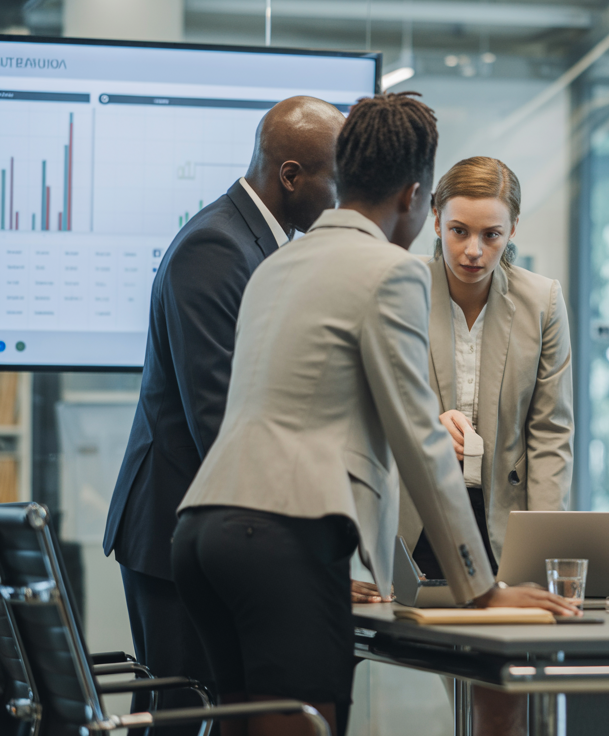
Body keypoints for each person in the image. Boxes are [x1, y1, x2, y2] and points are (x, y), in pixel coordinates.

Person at [170, 92, 577, 736]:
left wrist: (357, 567)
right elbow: (417, 438)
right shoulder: (391, 272)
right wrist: (482, 591)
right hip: (279, 541)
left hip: (202, 535)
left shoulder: (278, 263)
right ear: (417, 198)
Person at [101, 95, 345, 733]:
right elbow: (218, 417)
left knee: (215, 710)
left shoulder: (254, 242)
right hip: (177, 526)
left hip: (210, 525)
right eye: (336, 179)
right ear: (291, 176)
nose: (343, 198)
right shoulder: (216, 246)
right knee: (178, 716)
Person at [401, 155, 572, 580]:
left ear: (512, 229)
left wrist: (545, 543)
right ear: (437, 221)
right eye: (459, 231)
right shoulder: (398, 290)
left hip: (503, 519)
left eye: (491, 235)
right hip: (413, 512)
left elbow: (550, 431)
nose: (473, 251)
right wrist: (424, 426)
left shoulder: (542, 302)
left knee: (503, 644)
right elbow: (361, 406)